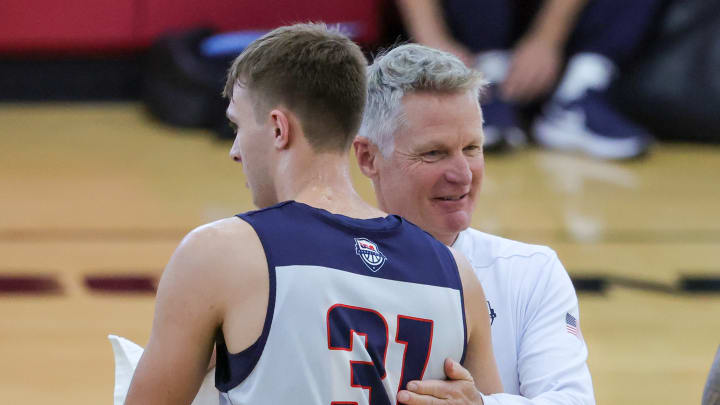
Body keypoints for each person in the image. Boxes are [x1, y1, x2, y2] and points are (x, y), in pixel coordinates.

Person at [124, 23, 503, 405]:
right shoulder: (457, 274)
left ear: (278, 128)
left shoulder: (220, 254)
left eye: (238, 126)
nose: (235, 150)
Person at [354, 43, 594, 404]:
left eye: (472, 148)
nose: (462, 175)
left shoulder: (531, 273)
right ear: (369, 157)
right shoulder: (321, 268)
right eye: (434, 153)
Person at [395, 0, 663, 159]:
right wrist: (431, 39)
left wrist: (547, 38)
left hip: (558, 32)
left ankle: (580, 90)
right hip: (468, 31)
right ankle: (482, 86)